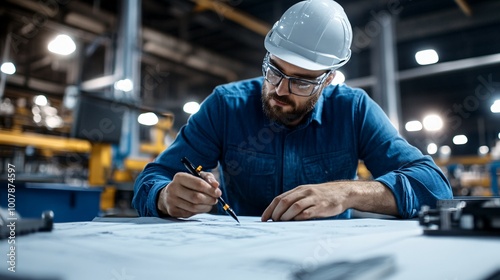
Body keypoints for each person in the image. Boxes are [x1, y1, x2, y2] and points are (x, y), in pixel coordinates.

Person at [132, 0, 452, 221]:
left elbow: (435, 189)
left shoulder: (354, 110)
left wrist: (348, 192)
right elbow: (153, 178)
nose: (281, 89)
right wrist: (165, 197)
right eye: (275, 71)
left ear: (327, 80)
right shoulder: (225, 105)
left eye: (301, 82)